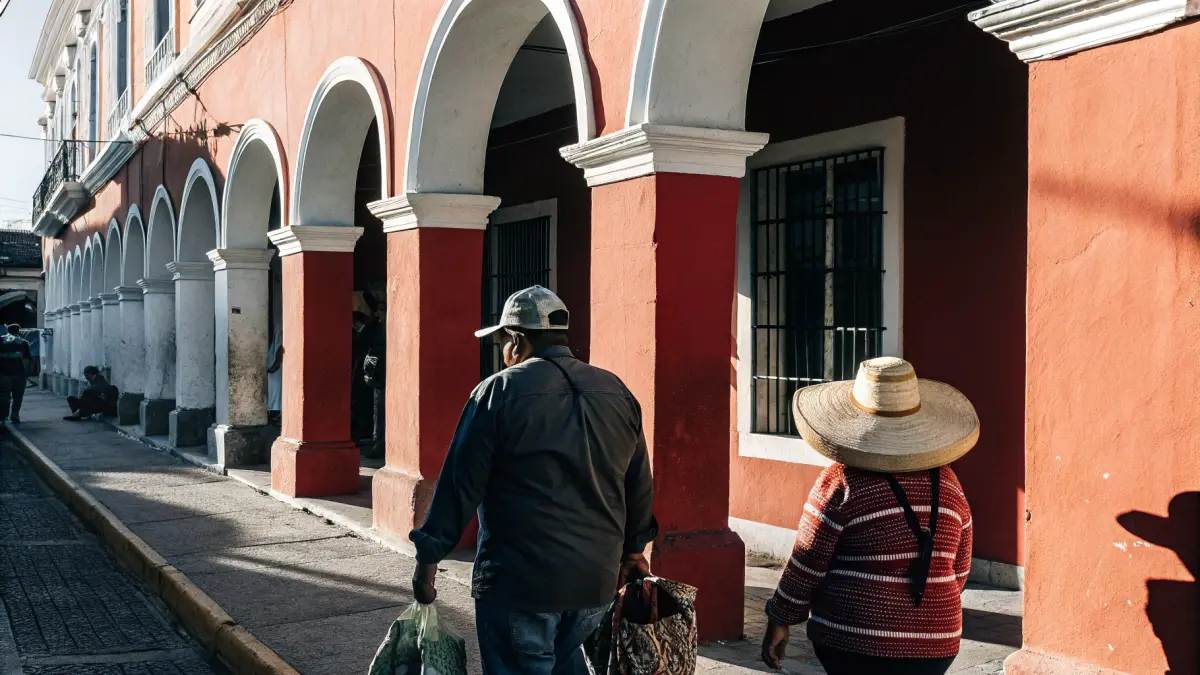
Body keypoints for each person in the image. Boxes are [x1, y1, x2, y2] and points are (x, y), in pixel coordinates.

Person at [409, 285, 658, 675]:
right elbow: (639, 483)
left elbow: (459, 485)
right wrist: (634, 551)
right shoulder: (617, 391)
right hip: (594, 585)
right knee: (565, 660)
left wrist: (427, 562)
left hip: (520, 584)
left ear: (516, 340)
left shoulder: (498, 391)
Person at [761, 357, 978, 675]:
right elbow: (959, 569)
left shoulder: (842, 480)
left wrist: (781, 616)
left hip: (855, 641)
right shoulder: (949, 483)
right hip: (938, 641)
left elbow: (807, 562)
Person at [0, 325, 31, 423]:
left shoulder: (0, 340)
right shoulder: (23, 342)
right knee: (18, 396)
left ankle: (3, 417)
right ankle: (14, 414)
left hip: (3, 374)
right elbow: (27, 361)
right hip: (18, 373)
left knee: (4, 396)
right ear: (18, 331)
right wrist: (25, 373)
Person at [265, 323, 283, 425]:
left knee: (276, 387)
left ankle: (276, 413)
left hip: (277, 368)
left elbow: (280, 349)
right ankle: (275, 413)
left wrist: (275, 364)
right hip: (275, 366)